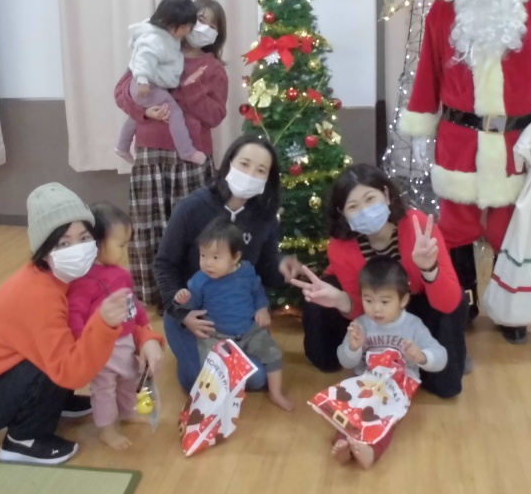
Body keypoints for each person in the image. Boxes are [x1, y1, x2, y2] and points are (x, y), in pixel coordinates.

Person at [400, 0, 531, 344]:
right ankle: (461, 303)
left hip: (517, 142)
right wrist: (421, 128)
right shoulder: (444, 11)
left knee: (508, 230)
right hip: (458, 139)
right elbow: (428, 72)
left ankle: (511, 308)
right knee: (455, 227)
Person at [0, 183, 163, 465]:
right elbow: (70, 372)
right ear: (45, 250)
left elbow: (128, 312)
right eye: (63, 243)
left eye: (84, 238)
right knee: (54, 359)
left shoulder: (71, 277)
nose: (78, 249)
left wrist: (146, 338)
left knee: (64, 342)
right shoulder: (38, 295)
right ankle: (23, 439)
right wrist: (103, 325)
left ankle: (56, 403)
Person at [295, 164, 468, 398]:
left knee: (445, 385)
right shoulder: (340, 247)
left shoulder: (417, 226)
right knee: (321, 307)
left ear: (386, 195)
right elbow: (363, 307)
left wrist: (429, 269)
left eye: (370, 199)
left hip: (418, 299)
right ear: (342, 213)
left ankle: (445, 351)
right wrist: (341, 300)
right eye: (353, 206)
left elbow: (449, 303)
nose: (364, 210)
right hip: (373, 305)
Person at [153, 135, 302, 391]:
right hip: (194, 315)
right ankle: (189, 353)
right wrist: (182, 314)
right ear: (229, 163)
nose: (250, 174)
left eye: (261, 170)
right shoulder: (192, 208)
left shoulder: (264, 217)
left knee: (257, 379)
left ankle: (226, 354)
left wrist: (281, 267)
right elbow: (164, 264)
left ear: (268, 179)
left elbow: (265, 268)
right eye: (244, 164)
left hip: (236, 317)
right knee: (203, 383)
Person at [115, 0, 229, 309]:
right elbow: (122, 92)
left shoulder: (213, 68)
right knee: (148, 227)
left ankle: (193, 294)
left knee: (193, 228)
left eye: (212, 24)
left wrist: (191, 88)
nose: (204, 28)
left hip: (191, 160)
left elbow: (215, 116)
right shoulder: (156, 47)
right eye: (200, 19)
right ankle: (153, 294)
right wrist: (144, 112)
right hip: (151, 155)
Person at [332, 258, 447, 469]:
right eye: (368, 300)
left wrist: (421, 356)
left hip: (397, 387)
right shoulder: (360, 324)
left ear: (403, 300)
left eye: (385, 302)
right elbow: (344, 361)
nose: (376, 309)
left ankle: (371, 450)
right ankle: (344, 443)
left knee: (385, 416)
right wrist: (353, 347)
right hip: (365, 382)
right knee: (349, 407)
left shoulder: (413, 325)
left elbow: (441, 356)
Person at [67, 202, 164, 451]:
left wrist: (144, 326)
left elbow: (133, 304)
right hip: (100, 348)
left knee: (129, 380)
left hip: (126, 342)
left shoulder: (121, 274)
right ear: (97, 243)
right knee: (104, 389)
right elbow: (75, 314)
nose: (124, 251)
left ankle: (127, 412)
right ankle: (107, 428)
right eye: (120, 245)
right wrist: (81, 344)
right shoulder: (83, 280)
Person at [174, 217, 294, 411]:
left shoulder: (246, 271)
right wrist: (185, 300)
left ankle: (276, 393)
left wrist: (262, 308)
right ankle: (217, 404)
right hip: (216, 336)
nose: (207, 263)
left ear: (235, 257)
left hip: (250, 331)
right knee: (212, 368)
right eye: (203, 255)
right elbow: (193, 308)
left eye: (215, 257)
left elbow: (257, 291)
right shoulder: (199, 280)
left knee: (273, 353)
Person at [115, 0, 204, 165]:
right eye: (184, 27)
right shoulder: (155, 39)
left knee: (135, 116)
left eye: (190, 27)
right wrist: (143, 80)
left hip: (144, 85)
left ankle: (122, 146)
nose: (187, 31)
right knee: (175, 112)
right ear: (169, 22)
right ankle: (187, 151)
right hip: (146, 85)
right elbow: (143, 58)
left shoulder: (166, 34)